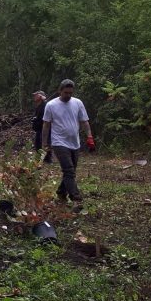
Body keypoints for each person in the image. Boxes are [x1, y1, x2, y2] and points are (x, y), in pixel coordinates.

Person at [42, 79, 95, 210]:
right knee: (69, 170)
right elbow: (46, 125)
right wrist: (44, 143)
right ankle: (76, 198)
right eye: (66, 92)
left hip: (74, 143)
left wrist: (89, 136)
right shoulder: (51, 105)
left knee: (70, 172)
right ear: (60, 91)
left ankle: (61, 192)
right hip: (59, 142)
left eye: (70, 93)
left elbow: (84, 122)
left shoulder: (78, 103)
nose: (68, 95)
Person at [32, 90, 52, 163]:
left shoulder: (45, 104)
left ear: (40, 96)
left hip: (44, 128)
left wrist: (45, 100)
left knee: (45, 143)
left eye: (36, 95)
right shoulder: (38, 105)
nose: (34, 96)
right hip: (38, 128)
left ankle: (48, 160)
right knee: (37, 144)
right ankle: (41, 159)